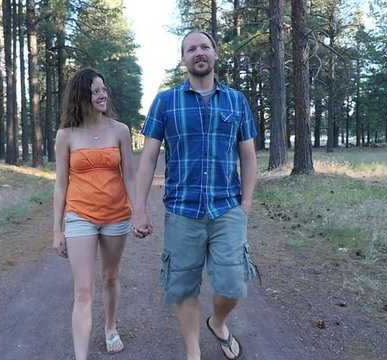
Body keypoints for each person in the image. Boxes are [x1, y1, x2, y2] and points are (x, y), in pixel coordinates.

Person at [132, 30, 258, 360]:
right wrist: (139, 210)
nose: (198, 52)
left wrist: (245, 204)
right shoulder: (165, 102)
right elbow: (147, 159)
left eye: (204, 47)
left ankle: (218, 321)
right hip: (182, 210)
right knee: (184, 286)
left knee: (233, 284)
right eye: (191, 49)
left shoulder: (236, 101)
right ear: (183, 58)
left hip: (227, 208)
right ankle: (193, 351)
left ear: (215, 54)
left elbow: (247, 156)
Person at [52, 68, 135, 359]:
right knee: (83, 291)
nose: (102, 95)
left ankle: (110, 328)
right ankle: (81, 356)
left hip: (116, 215)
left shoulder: (121, 130)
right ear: (81, 97)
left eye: (103, 89)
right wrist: (57, 229)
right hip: (79, 215)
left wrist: (138, 213)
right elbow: (61, 183)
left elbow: (130, 177)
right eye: (95, 91)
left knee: (110, 277)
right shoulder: (66, 135)